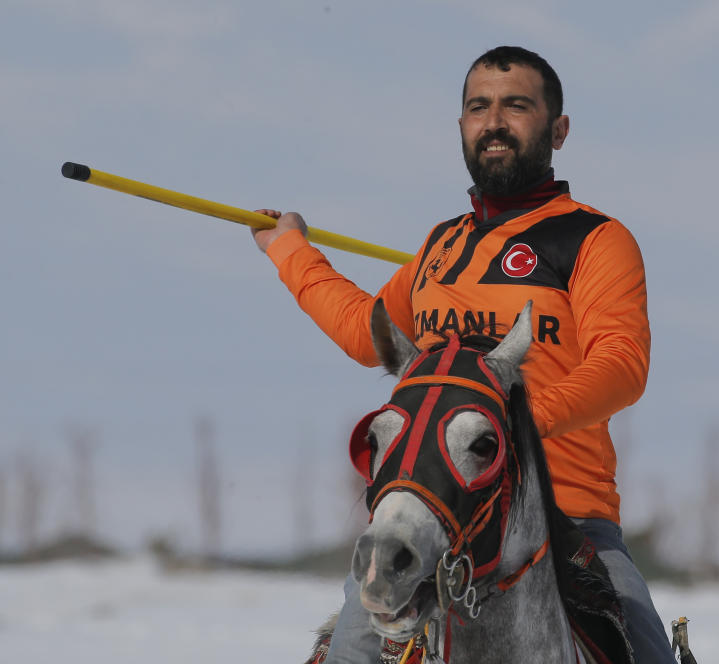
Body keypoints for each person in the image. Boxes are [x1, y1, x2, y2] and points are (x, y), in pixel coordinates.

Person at [253, 46, 672, 663]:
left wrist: (516, 421)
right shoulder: (442, 245)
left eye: (516, 105)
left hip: (567, 517)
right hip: (434, 510)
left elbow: (622, 365)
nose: (494, 121)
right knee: (350, 650)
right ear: (462, 127)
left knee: (646, 651)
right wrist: (291, 251)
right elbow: (367, 334)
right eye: (479, 107)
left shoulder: (595, 240)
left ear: (558, 128)